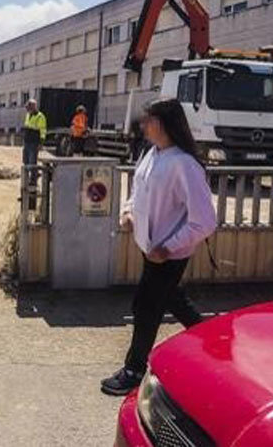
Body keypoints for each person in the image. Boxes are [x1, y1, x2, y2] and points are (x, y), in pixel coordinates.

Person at [100, 99, 217, 396]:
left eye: (148, 120)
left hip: (167, 255)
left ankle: (134, 369)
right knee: (172, 300)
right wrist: (128, 212)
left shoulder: (185, 164)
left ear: (164, 124)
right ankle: (213, 343)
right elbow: (137, 191)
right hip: (150, 248)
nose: (142, 125)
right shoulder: (150, 154)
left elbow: (204, 221)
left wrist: (168, 248)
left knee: (146, 306)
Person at [22, 99, 47, 186]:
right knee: (26, 161)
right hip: (27, 141)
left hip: (34, 142)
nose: (27, 110)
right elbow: (27, 126)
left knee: (32, 162)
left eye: (29, 108)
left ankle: (33, 180)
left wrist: (41, 142)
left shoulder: (40, 116)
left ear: (33, 107)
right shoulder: (28, 115)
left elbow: (42, 130)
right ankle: (29, 178)